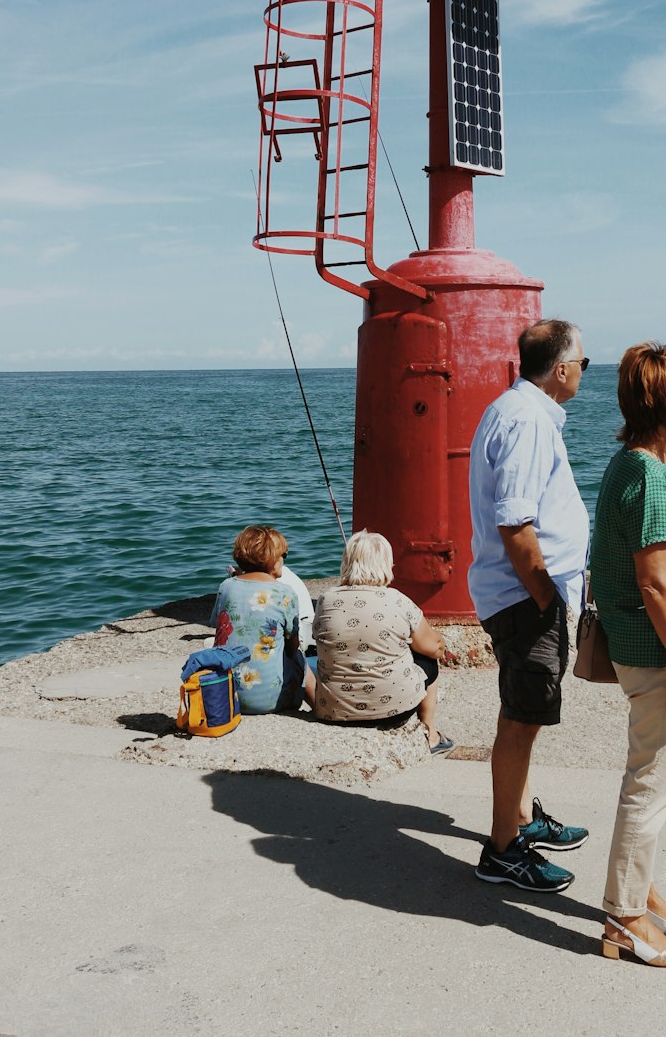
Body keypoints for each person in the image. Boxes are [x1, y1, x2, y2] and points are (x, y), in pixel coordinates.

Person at [589, 342, 666, 969]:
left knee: (652, 780)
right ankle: (625, 916)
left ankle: (639, 891)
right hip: (657, 656)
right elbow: (655, 581)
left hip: (644, 649)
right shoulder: (646, 475)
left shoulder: (631, 466)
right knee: (651, 785)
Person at [468, 318, 591, 892]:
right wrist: (545, 597)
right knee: (522, 719)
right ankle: (503, 851)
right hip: (524, 595)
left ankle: (517, 819)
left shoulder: (518, 411)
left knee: (521, 712)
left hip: (517, 594)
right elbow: (516, 521)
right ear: (561, 369)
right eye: (584, 363)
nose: (584, 373)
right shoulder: (528, 420)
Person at [313, 530, 454, 754]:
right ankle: (430, 733)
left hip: (332, 711)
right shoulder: (397, 600)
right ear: (387, 563)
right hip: (394, 711)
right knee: (427, 661)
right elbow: (434, 648)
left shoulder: (325, 600)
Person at [211, 524, 316, 715]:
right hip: (271, 699)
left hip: (225, 695)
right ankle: (319, 706)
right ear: (271, 559)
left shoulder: (226, 586)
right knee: (300, 657)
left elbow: (218, 627)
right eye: (283, 555)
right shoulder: (284, 593)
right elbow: (292, 646)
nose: (284, 561)